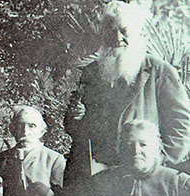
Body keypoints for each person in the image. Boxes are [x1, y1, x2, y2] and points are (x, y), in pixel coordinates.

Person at [64, 0, 190, 185]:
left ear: (138, 33)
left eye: (124, 30)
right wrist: (76, 117)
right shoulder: (91, 72)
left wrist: (158, 163)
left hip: (146, 175)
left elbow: (181, 125)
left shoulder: (159, 71)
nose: (117, 37)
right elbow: (74, 128)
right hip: (102, 175)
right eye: (110, 30)